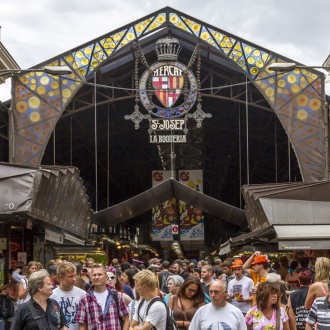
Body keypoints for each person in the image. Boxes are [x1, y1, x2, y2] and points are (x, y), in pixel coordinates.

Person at [76, 263, 129, 330]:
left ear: (106, 277)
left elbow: (126, 320)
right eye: (94, 275)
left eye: (100, 274)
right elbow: (82, 325)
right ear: (91, 277)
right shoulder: (85, 299)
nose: (97, 277)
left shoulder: (116, 296)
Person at [50, 262, 86, 329]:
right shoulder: (52, 295)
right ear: (61, 277)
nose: (74, 279)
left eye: (75, 275)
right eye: (70, 276)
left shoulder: (82, 294)